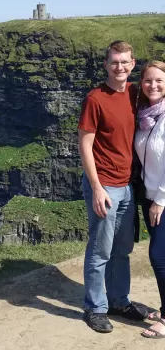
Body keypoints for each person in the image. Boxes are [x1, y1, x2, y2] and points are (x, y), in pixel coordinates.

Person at [78, 40, 148, 333]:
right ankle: (95, 308)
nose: (120, 67)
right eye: (114, 62)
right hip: (105, 184)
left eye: (125, 62)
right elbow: (84, 144)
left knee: (123, 249)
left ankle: (120, 300)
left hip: (128, 184)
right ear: (106, 65)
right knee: (100, 250)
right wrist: (96, 188)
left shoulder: (135, 93)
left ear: (133, 65)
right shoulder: (95, 98)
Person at [134, 61, 165, 339]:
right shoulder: (145, 115)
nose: (153, 85)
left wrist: (161, 199)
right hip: (149, 194)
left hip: (163, 199)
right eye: (148, 80)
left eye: (159, 80)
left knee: (159, 256)